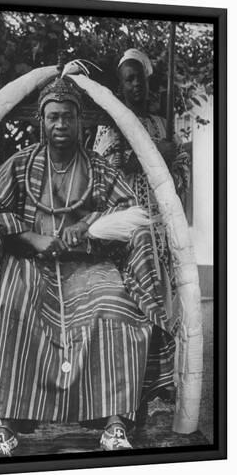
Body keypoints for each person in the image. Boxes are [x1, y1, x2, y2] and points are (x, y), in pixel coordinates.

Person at [0, 76, 175, 458]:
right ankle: (3, 429)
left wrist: (89, 226)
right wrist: (30, 237)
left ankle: (114, 425)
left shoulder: (99, 170)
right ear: (42, 122)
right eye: (53, 117)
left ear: (82, 123)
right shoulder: (19, 166)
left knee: (118, 310)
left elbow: (131, 214)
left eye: (68, 117)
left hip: (89, 268)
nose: (60, 125)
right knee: (8, 312)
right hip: (29, 265)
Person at [94, 48, 190, 322]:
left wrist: (174, 163)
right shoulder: (110, 128)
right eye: (129, 79)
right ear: (121, 86)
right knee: (131, 309)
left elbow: (182, 171)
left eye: (140, 79)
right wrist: (154, 155)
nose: (136, 84)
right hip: (129, 232)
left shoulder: (163, 126)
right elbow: (104, 179)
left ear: (148, 83)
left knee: (165, 309)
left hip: (163, 230)